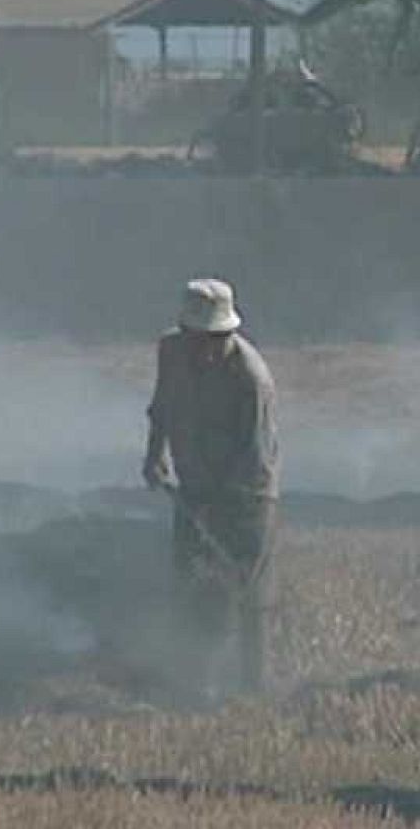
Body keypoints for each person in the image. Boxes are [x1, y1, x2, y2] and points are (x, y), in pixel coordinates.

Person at [142, 278, 280, 700]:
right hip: (195, 483)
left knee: (242, 588)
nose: (205, 349)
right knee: (189, 578)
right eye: (197, 338)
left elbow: (251, 455)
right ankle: (191, 676)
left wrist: (220, 512)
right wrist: (154, 455)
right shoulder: (171, 353)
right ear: (184, 334)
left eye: (215, 339)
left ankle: (252, 687)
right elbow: (161, 405)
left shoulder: (251, 378)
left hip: (247, 495)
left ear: (230, 333)